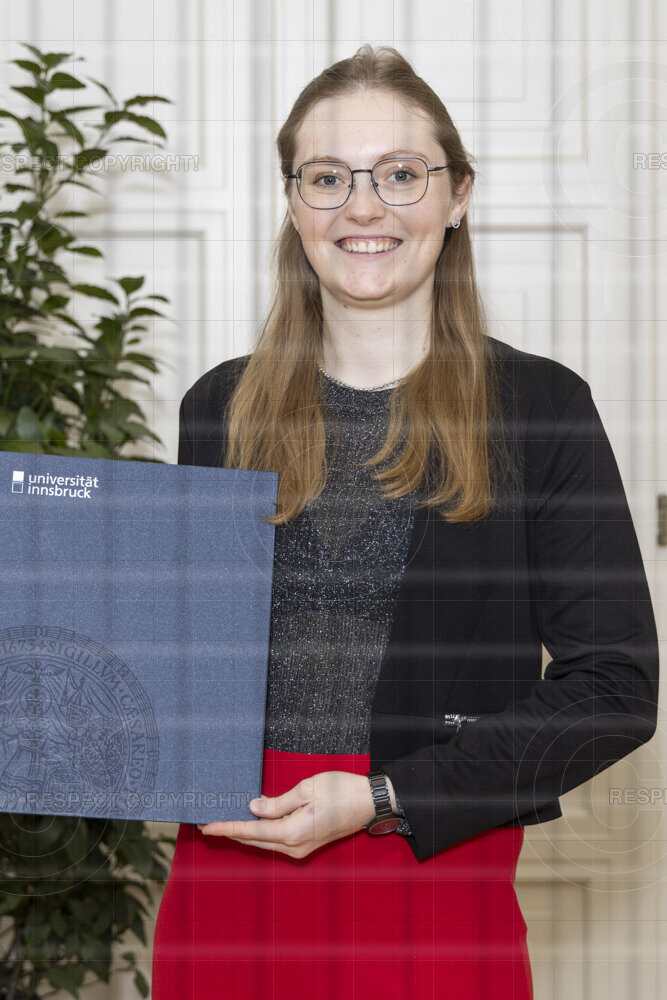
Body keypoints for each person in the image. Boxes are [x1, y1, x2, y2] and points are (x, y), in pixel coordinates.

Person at [151, 45, 659, 1000]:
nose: (362, 207)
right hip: (230, 862)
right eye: (327, 177)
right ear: (294, 202)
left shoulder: (540, 409)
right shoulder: (216, 408)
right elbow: (189, 663)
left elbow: (613, 689)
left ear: (457, 195)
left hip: (430, 867)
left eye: (399, 173)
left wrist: (385, 797)